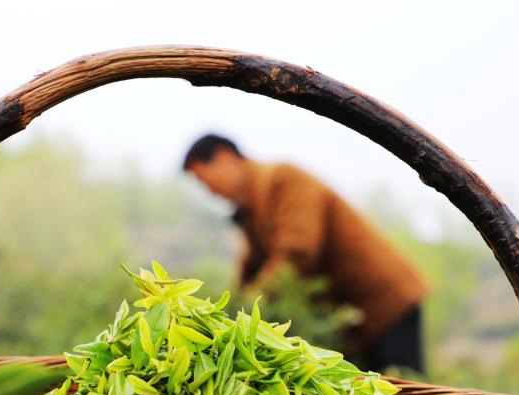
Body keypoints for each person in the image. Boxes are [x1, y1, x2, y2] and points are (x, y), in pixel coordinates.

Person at [183, 134, 429, 373]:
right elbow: (252, 265)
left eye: (205, 182)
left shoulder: (282, 180)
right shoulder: (252, 206)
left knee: (403, 391)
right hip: (351, 320)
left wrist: (249, 308)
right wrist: (226, 313)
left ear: (224, 158)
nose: (210, 192)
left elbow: (296, 254)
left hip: (384, 302)